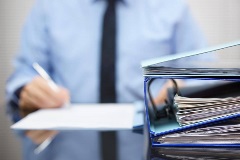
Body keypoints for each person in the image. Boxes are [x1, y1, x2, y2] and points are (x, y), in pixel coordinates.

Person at [6, 0, 207, 159]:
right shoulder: (49, 6)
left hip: (152, 135)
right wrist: (26, 88)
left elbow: (204, 73)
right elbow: (25, 71)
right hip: (62, 143)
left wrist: (184, 89)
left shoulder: (174, 7)